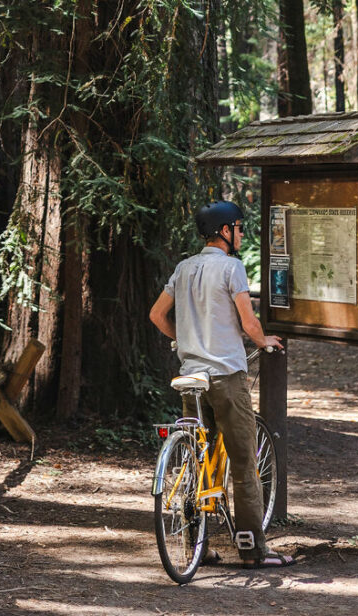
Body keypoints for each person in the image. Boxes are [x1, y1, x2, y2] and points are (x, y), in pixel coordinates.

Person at [149, 199, 292, 568]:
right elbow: (249, 321)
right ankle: (253, 550)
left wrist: (181, 341)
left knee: (197, 460)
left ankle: (196, 546)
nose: (241, 233)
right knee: (244, 461)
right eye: (239, 228)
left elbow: (156, 314)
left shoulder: (183, 268)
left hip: (190, 378)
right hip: (226, 377)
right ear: (225, 231)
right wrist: (264, 342)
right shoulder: (232, 268)